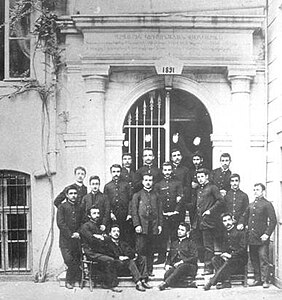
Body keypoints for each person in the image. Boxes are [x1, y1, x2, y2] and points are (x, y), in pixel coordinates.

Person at [238, 183, 277, 288]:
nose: (255, 191)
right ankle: (258, 279)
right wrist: (241, 223)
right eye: (254, 189)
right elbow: (244, 216)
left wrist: (267, 234)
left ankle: (265, 280)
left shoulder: (267, 204)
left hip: (262, 238)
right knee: (254, 258)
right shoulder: (251, 205)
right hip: (252, 237)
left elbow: (273, 221)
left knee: (263, 258)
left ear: (263, 191)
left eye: (258, 190)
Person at [80, 206, 122, 292]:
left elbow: (107, 239)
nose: (97, 215)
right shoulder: (85, 227)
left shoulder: (99, 226)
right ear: (89, 215)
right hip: (91, 252)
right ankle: (111, 285)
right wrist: (99, 238)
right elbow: (91, 240)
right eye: (94, 213)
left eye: (98, 213)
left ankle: (105, 281)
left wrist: (100, 237)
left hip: (99, 251)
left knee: (116, 258)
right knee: (109, 260)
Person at [203, 213, 248, 290]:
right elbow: (224, 248)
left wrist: (231, 255)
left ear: (232, 220)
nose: (227, 223)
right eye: (225, 221)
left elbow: (243, 249)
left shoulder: (240, 232)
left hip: (240, 259)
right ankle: (226, 282)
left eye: (229, 220)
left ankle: (211, 282)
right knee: (215, 259)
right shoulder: (224, 233)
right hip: (228, 259)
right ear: (222, 223)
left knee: (228, 262)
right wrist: (224, 255)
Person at [193, 168, 224, 275]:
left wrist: (210, 211)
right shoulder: (198, 189)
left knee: (208, 245)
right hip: (199, 221)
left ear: (207, 176)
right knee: (199, 244)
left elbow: (221, 201)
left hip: (209, 221)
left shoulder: (213, 188)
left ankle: (208, 268)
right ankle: (201, 263)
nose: (200, 179)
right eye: (198, 177)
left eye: (202, 176)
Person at [131, 173, 163, 276]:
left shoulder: (156, 195)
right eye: (146, 180)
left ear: (152, 182)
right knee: (141, 249)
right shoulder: (137, 195)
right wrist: (137, 225)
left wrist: (159, 225)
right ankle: (141, 272)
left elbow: (159, 211)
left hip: (152, 226)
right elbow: (134, 211)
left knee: (151, 249)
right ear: (142, 182)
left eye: (150, 180)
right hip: (142, 226)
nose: (148, 182)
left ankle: (149, 270)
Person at [104, 224, 152, 292]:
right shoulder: (108, 244)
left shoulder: (122, 243)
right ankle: (138, 283)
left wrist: (128, 256)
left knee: (142, 258)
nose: (116, 233)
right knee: (130, 262)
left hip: (126, 264)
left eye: (118, 231)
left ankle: (144, 280)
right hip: (116, 265)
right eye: (114, 231)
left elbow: (131, 252)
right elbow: (108, 255)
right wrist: (118, 257)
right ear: (110, 233)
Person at [154, 161, 183, 264]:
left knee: (175, 237)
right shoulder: (158, 185)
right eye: (165, 170)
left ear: (172, 170)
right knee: (162, 237)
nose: (167, 172)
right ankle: (161, 258)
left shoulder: (177, 183)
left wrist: (176, 211)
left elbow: (180, 199)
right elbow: (156, 201)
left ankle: (174, 258)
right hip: (163, 215)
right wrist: (161, 213)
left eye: (169, 170)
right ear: (162, 171)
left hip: (174, 215)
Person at [56, 185, 83, 289]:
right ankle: (69, 281)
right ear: (66, 195)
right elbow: (60, 223)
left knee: (77, 260)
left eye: (75, 193)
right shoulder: (62, 207)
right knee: (69, 260)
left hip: (77, 240)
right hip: (65, 241)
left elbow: (83, 222)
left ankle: (73, 280)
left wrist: (78, 233)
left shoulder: (80, 207)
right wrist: (70, 234)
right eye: (71, 193)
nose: (73, 196)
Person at [158, 223, 198, 291]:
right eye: (179, 229)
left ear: (187, 232)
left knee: (181, 267)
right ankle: (187, 284)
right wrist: (167, 264)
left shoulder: (191, 242)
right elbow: (169, 256)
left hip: (189, 266)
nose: (179, 231)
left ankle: (165, 284)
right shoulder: (174, 243)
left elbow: (194, 257)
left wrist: (183, 261)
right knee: (167, 274)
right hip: (177, 267)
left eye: (182, 230)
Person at [104, 164, 132, 242]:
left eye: (118, 171)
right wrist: (110, 213)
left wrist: (129, 213)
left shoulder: (126, 185)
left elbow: (130, 200)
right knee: (114, 234)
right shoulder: (107, 186)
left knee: (125, 235)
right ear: (111, 172)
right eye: (114, 172)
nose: (116, 174)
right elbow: (106, 202)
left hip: (125, 214)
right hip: (113, 214)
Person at [170, 148, 190, 222]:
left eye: (178, 155)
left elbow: (187, 186)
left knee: (180, 222)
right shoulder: (168, 169)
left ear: (181, 157)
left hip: (180, 200)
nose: (177, 157)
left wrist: (181, 196)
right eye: (174, 156)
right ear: (171, 158)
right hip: (169, 200)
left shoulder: (185, 170)